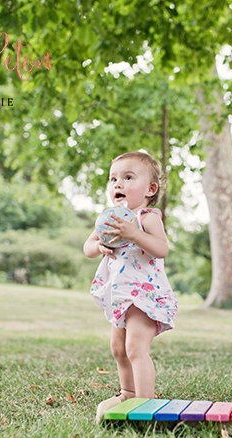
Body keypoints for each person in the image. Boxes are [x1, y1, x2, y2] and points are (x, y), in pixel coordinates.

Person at [84, 151, 177, 420]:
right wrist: (99, 245)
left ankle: (145, 403)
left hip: (144, 295)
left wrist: (134, 233)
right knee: (118, 348)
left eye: (127, 177)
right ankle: (127, 392)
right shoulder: (109, 218)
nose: (118, 184)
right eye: (113, 179)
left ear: (151, 189)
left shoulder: (147, 218)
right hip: (121, 296)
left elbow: (161, 249)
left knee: (136, 348)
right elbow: (87, 246)